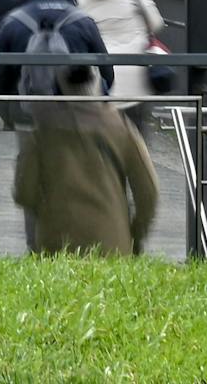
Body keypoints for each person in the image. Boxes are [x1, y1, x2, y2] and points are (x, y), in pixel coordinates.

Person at [12, 60, 159, 256]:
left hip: (56, 244)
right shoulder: (120, 127)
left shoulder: (42, 129)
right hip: (112, 243)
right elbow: (149, 191)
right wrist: (135, 235)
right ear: (97, 85)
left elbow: (24, 191)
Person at [0, 0, 111, 106]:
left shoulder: (12, 22)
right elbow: (107, 71)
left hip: (29, 116)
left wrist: (9, 116)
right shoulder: (83, 21)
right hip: (77, 116)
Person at [73, 0, 166, 114]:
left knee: (105, 134)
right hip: (136, 78)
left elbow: (80, 38)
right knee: (137, 134)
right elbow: (156, 23)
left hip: (101, 80)